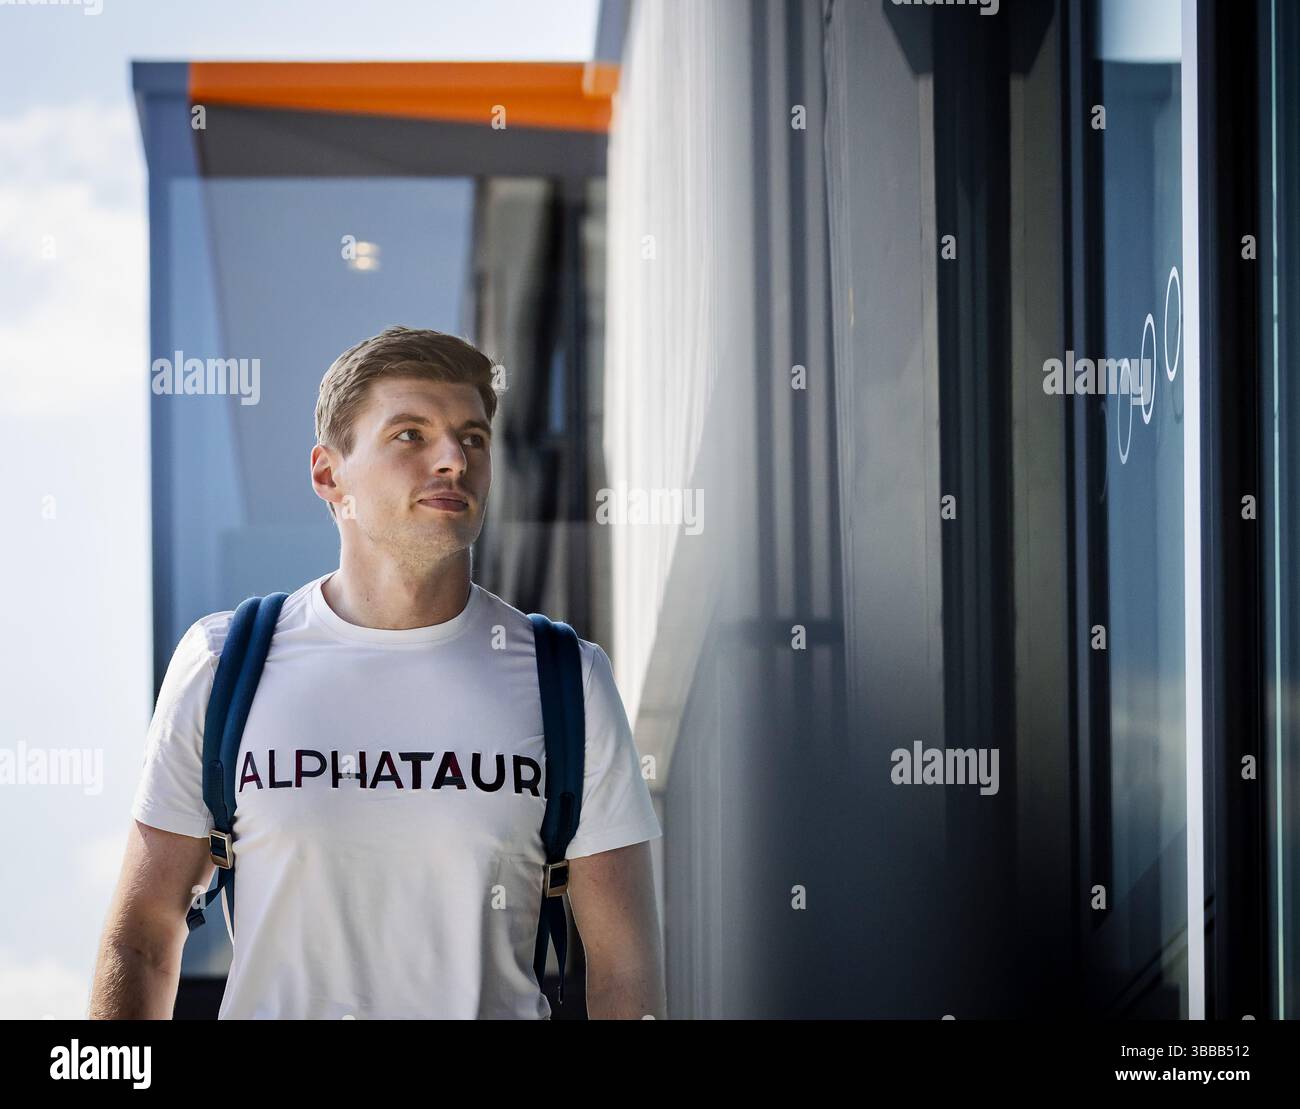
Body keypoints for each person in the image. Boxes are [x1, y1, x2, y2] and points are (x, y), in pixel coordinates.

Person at [88, 326, 665, 1019]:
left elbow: (625, 971)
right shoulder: (224, 663)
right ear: (330, 476)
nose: (453, 458)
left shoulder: (566, 677)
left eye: (473, 438)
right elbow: (144, 939)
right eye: (410, 435)